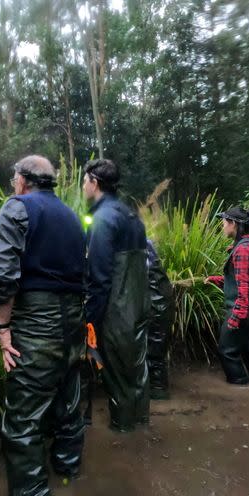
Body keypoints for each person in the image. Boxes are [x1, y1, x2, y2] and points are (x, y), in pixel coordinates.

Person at [0, 155, 86, 496]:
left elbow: (3, 274)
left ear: (21, 180)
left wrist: (4, 329)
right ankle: (70, 475)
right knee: (68, 404)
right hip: (73, 320)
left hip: (36, 322)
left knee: (24, 418)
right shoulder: (72, 217)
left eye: (14, 177)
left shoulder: (18, 208)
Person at [82, 159, 150, 432]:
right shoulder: (132, 216)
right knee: (136, 372)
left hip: (116, 313)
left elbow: (99, 279)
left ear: (95, 183)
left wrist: (90, 323)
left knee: (118, 377)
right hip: (139, 308)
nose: (83, 187)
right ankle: (141, 425)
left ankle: (124, 434)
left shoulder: (102, 219)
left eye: (85, 182)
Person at [204, 206, 249, 385]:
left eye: (224, 222)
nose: (222, 226)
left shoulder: (243, 250)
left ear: (234, 224)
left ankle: (240, 386)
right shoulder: (246, 246)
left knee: (227, 350)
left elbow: (245, 288)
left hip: (243, 310)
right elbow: (242, 279)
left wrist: (236, 318)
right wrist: (217, 280)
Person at [146, 238, 175, 400]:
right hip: (163, 303)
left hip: (154, 306)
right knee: (158, 353)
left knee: (153, 352)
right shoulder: (147, 246)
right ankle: (159, 391)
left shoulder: (136, 250)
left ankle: (157, 392)